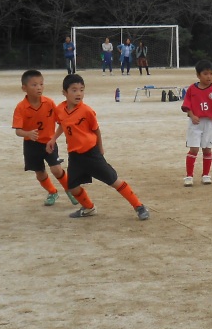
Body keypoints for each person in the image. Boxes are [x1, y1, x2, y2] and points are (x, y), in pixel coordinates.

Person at [53, 73, 149, 220]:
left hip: (91, 153)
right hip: (74, 155)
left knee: (113, 180)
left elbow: (96, 130)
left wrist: (100, 148)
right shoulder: (60, 109)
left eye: (81, 90)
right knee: (72, 187)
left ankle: (139, 206)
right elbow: (63, 124)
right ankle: (89, 208)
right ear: (64, 93)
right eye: (74, 90)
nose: (79, 93)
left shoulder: (87, 111)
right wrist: (53, 139)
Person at [12, 70, 77, 207]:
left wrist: (55, 137)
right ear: (24, 88)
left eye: (41, 84)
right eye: (34, 85)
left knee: (56, 169)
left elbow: (62, 122)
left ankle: (70, 189)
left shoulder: (49, 103)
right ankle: (52, 192)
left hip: (49, 143)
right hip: (31, 145)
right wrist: (27, 134)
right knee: (40, 173)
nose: (39, 87)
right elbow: (18, 131)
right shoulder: (21, 107)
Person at [182, 60, 212, 185]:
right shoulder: (192, 89)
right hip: (195, 123)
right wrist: (192, 115)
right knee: (194, 149)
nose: (209, 76)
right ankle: (189, 176)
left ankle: (206, 175)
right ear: (198, 75)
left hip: (209, 123)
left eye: (211, 73)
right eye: (205, 74)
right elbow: (187, 105)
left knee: (207, 149)